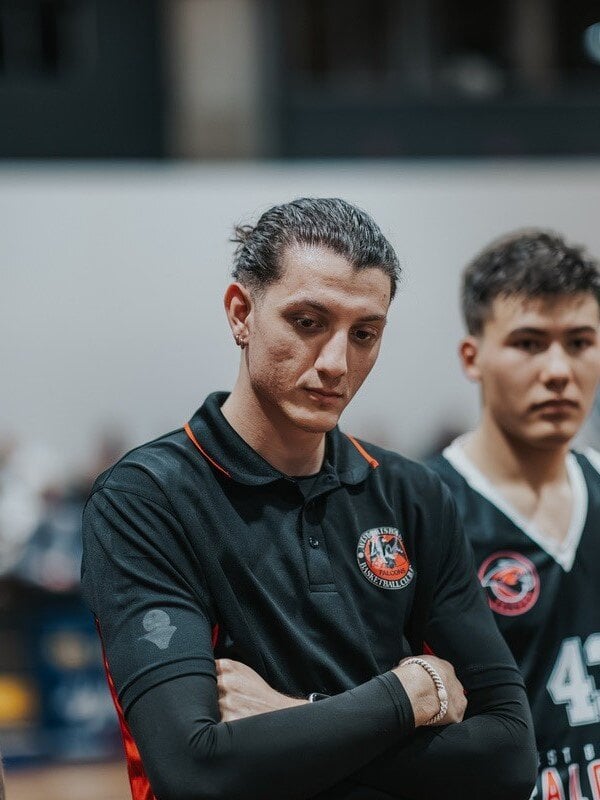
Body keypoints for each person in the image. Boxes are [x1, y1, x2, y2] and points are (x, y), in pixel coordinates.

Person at [82, 198, 536, 800]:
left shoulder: (414, 495)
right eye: (307, 322)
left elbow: (507, 759)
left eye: (364, 333)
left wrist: (291, 714)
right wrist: (409, 695)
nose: (334, 363)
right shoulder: (145, 499)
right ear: (241, 313)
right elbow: (196, 771)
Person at [427, 229, 600, 800]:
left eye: (579, 342)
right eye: (529, 343)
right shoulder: (423, 507)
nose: (558, 370)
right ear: (471, 358)